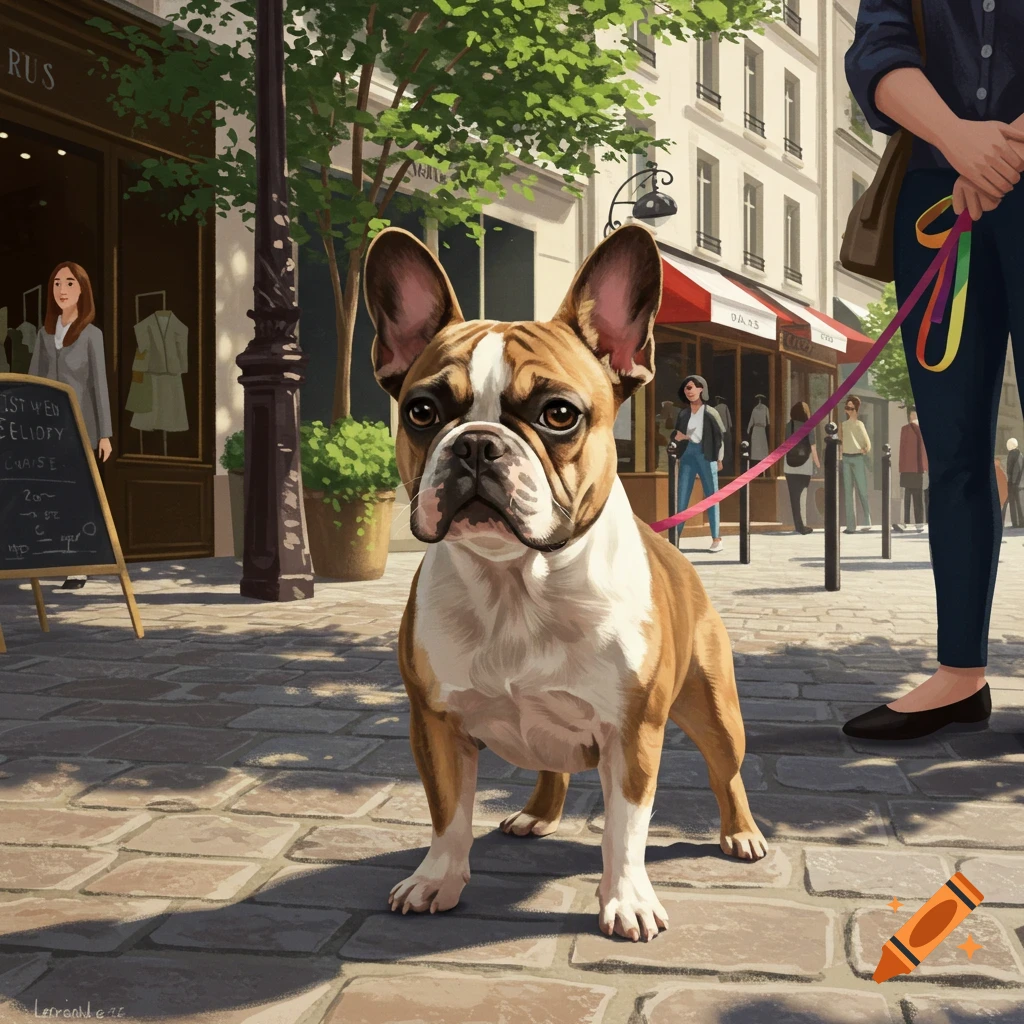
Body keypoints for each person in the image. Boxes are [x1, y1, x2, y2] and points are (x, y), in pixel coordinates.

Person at [843, 0, 1024, 740]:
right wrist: (958, 141)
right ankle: (959, 671)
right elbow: (876, 52)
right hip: (937, 191)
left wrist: (1003, 153)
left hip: (986, 175)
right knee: (952, 447)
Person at [28, 262, 113, 590]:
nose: (62, 290)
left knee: (79, 495)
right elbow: (34, 379)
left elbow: (99, 386)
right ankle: (58, 556)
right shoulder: (44, 334)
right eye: (57, 284)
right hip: (48, 429)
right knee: (55, 495)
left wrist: (105, 433)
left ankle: (79, 564)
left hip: (81, 428)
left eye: (70, 284)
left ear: (82, 291)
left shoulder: (93, 335)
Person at [669, 374, 725, 553]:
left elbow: (720, 437)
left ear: (701, 389)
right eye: (687, 388)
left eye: (692, 387)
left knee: (712, 496)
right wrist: (678, 439)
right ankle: (675, 538)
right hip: (687, 455)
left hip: (706, 454)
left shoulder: (710, 412)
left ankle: (716, 538)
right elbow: (676, 434)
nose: (689, 391)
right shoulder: (683, 413)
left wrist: (719, 459)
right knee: (682, 496)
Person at [784, 401, 820, 534]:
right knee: (802, 495)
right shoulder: (809, 427)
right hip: (805, 465)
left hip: (790, 464)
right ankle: (803, 525)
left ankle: (797, 525)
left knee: (794, 497)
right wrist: (818, 464)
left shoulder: (789, 426)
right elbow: (813, 448)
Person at [839, 395, 872, 534]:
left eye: (851, 408)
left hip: (858, 458)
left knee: (862, 490)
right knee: (848, 493)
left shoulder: (860, 424)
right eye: (847, 407)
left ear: (856, 409)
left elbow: (867, 443)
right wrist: (840, 457)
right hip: (846, 458)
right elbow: (840, 442)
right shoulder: (842, 425)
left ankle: (867, 521)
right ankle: (851, 526)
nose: (849, 410)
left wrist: (864, 450)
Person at [895, 406, 927, 532]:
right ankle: (905, 522)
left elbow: (924, 450)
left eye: (915, 415)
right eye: (912, 415)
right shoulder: (905, 429)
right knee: (907, 497)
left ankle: (919, 522)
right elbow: (902, 449)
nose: (913, 417)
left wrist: (924, 467)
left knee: (918, 497)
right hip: (907, 468)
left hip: (918, 468)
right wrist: (901, 467)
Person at [1007, 438, 1023, 528]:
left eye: (1008, 444)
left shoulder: (1012, 454)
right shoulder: (1020, 454)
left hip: (1014, 483)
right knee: (1020, 504)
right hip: (1019, 483)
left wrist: (1012, 482)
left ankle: (1016, 523)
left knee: (1014, 503)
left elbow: (1012, 469)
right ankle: (1020, 523)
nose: (1007, 446)